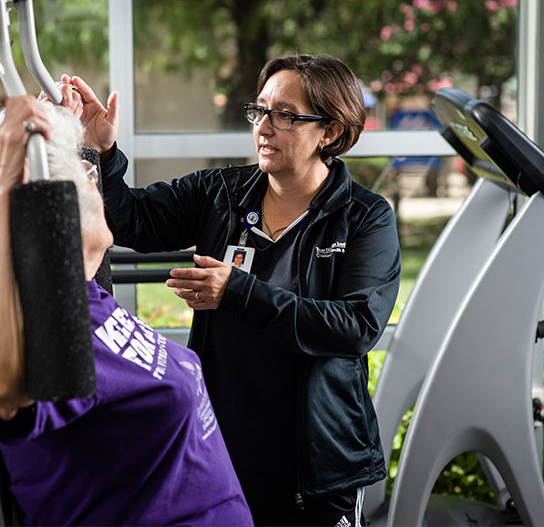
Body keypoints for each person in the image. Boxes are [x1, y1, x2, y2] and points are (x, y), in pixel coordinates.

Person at [68, 53, 401, 526]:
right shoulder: (221, 193)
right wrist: (102, 153)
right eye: (259, 110)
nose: (264, 127)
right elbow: (131, 220)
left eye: (285, 115)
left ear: (329, 131)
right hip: (225, 445)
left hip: (316, 464)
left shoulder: (365, 217)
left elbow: (355, 327)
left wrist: (238, 291)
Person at [0, 93, 253, 526]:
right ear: (46, 216)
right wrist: (3, 185)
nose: (95, 181)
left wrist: (83, 142)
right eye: (84, 174)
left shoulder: (80, 295)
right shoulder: (40, 323)